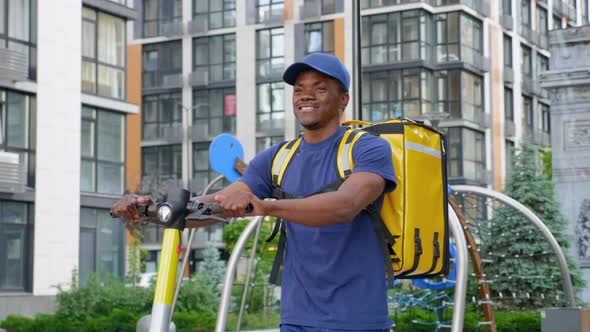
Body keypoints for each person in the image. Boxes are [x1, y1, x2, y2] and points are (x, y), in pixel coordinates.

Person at [111, 53, 396, 331]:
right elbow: (220, 203)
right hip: (296, 318)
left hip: (357, 319)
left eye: (320, 89)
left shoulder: (367, 148)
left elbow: (345, 205)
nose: (306, 96)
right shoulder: (278, 157)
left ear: (343, 99)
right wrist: (152, 210)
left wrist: (267, 207)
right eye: (299, 90)